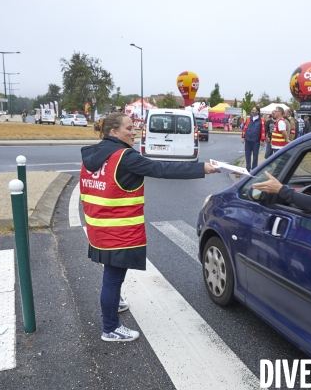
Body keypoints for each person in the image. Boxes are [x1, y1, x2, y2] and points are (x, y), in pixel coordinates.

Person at [80, 113, 219, 342]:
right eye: (128, 128)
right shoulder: (124, 157)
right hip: (119, 229)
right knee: (113, 277)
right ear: (114, 132)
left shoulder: (93, 154)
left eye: (134, 127)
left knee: (111, 274)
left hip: (99, 226)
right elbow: (161, 169)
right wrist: (202, 168)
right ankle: (110, 328)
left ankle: (113, 303)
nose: (133, 132)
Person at [241, 106, 266, 172]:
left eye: (254, 110)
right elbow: (245, 128)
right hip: (248, 140)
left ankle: (254, 169)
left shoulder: (262, 120)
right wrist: (243, 137)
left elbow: (263, 130)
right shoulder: (248, 119)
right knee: (247, 155)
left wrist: (262, 140)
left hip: (256, 141)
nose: (252, 111)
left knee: (255, 155)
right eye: (252, 110)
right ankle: (247, 168)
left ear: (257, 112)